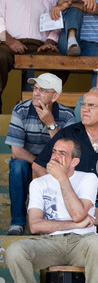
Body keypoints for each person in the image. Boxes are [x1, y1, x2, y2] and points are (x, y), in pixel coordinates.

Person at [5, 138, 98, 283]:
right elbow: (35, 225)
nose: (55, 156)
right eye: (54, 151)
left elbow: (79, 213)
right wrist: (74, 225)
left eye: (63, 153)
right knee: (15, 251)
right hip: (51, 244)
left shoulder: (89, 179)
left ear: (75, 161)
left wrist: (62, 179)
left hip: (83, 243)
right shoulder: (38, 183)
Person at [32, 88, 98, 265]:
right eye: (83, 104)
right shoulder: (68, 134)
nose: (85, 109)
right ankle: (72, 275)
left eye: (91, 105)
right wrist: (59, 189)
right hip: (71, 199)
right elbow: (38, 165)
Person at [5, 73, 76, 236]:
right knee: (17, 166)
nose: (36, 93)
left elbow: (67, 152)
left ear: (55, 96)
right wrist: (38, 164)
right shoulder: (21, 110)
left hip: (57, 163)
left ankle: (54, 220)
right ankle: (17, 221)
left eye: (43, 90)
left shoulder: (66, 115)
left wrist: (51, 125)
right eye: (35, 88)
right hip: (29, 160)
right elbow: (16, 152)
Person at [0, 0, 59, 113]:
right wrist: (10, 41)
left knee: (63, 62)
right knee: (0, 56)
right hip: (9, 44)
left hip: (38, 46)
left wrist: (50, 43)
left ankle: (45, 103)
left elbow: (55, 28)